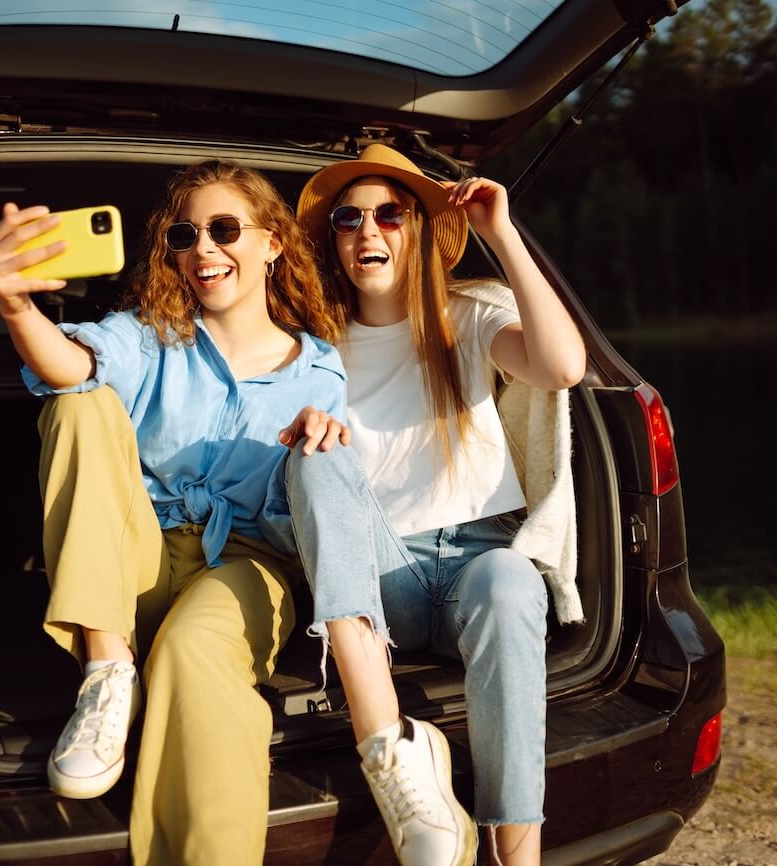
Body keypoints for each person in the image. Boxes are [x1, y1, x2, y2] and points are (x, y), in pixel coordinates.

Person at [0, 160, 346, 866]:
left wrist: (321, 446)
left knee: (194, 655)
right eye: (184, 234)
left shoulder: (321, 370)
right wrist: (17, 307)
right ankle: (107, 672)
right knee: (81, 404)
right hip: (129, 561)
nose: (203, 248)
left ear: (272, 242)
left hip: (247, 562)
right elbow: (70, 366)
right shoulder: (148, 335)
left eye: (223, 229)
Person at [278, 143, 587, 866]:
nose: (367, 232)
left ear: (417, 230)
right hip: (380, 578)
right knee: (314, 460)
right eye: (348, 219)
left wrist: (500, 233)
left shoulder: (467, 318)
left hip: (479, 560)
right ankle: (389, 750)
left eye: (388, 214)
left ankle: (517, 856)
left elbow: (563, 367)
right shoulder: (310, 344)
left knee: (513, 581)